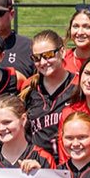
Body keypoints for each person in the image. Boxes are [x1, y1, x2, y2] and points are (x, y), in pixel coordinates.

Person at [20, 30, 76, 158]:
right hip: (37, 163)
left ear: (62, 52)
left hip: (71, 162)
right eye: (36, 58)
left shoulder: (79, 86)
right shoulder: (29, 88)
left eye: (48, 55)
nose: (43, 62)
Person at [0, 95, 56, 171]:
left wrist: (41, 174)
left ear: (23, 119)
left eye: (7, 122)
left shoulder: (43, 159)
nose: (1, 128)